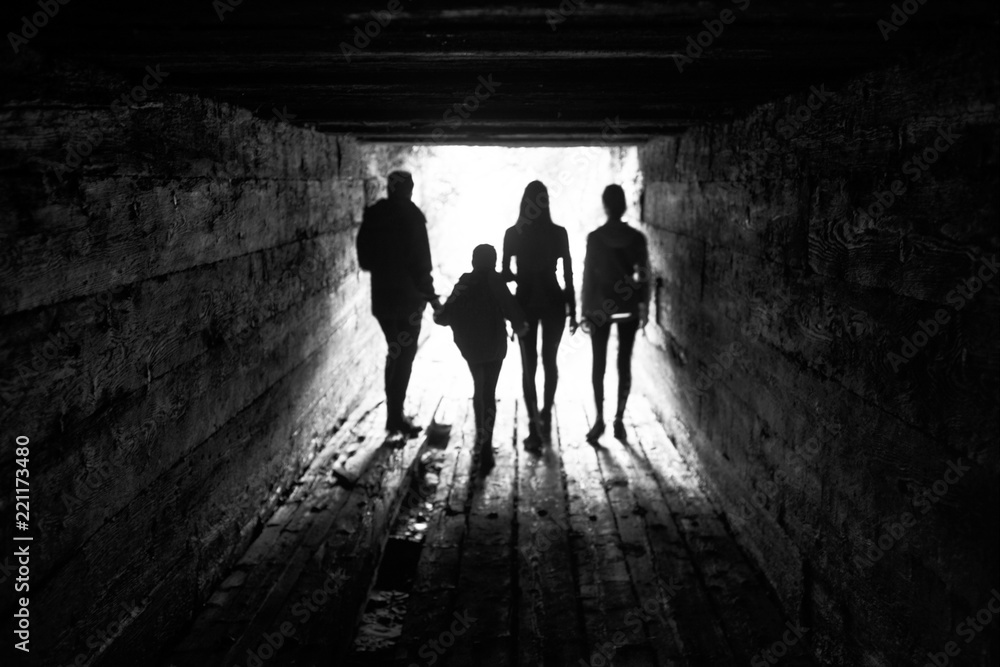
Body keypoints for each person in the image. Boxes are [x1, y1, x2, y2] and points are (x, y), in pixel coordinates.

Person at [356, 171, 441, 437]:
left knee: (394, 353)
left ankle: (394, 416)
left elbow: (365, 261)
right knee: (403, 358)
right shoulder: (413, 217)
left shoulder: (374, 215)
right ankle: (395, 417)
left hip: (383, 299)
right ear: (410, 189)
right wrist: (433, 299)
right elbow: (421, 266)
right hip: (409, 302)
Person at [434, 244, 528, 472]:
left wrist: (434, 304)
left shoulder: (464, 281)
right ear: (493, 262)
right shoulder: (495, 280)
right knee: (489, 393)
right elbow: (512, 310)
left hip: (471, 348)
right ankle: (486, 446)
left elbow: (443, 318)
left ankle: (480, 439)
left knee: (479, 388)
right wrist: (521, 326)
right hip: (494, 346)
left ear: (474, 261)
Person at [502, 181, 577, 450]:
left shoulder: (513, 233)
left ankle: (534, 424)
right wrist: (574, 310)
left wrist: (509, 304)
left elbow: (505, 275)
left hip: (524, 303)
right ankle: (545, 414)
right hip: (554, 301)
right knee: (550, 361)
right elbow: (568, 273)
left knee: (529, 366)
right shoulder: (559, 233)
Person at [580, 184, 650, 441]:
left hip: (600, 307)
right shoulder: (637, 238)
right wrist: (644, 306)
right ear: (624, 205)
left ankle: (599, 420)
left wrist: (585, 309)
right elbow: (642, 275)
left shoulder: (595, 238)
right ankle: (619, 418)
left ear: (605, 205)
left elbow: (589, 275)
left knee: (598, 364)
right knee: (624, 363)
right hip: (628, 307)